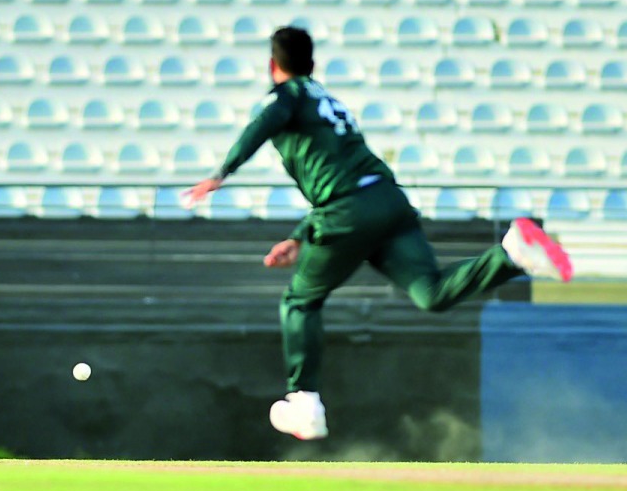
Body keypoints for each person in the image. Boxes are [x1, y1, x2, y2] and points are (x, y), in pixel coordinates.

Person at [183, 26, 573, 441]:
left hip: (349, 210)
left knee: (299, 300)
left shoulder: (286, 96)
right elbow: (342, 170)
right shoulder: (328, 102)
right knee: (432, 292)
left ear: (271, 65)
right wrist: (300, 237)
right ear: (312, 63)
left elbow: (264, 125)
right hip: (388, 202)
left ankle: (304, 402)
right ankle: (510, 254)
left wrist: (220, 173)